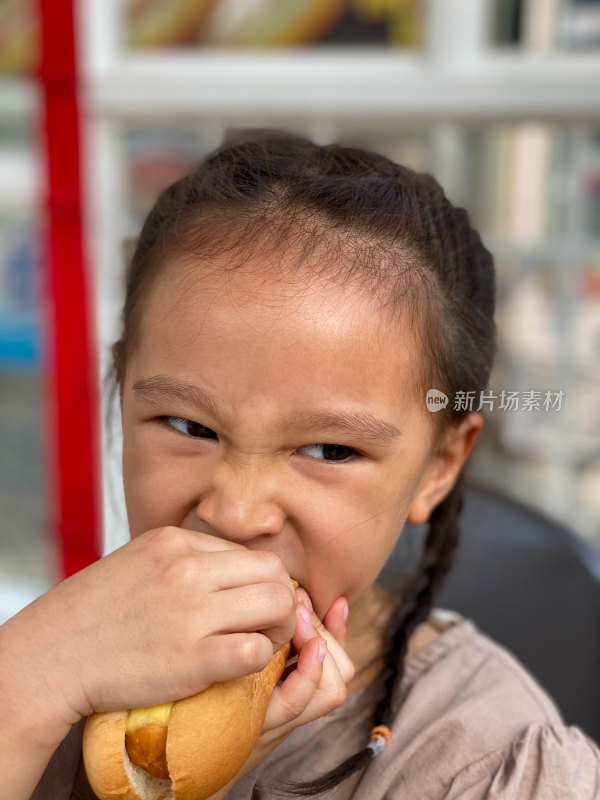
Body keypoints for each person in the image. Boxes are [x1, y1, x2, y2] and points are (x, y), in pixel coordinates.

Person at [1, 129, 598, 800]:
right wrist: (23, 686)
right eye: (188, 426)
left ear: (439, 465)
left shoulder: (489, 767)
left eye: (329, 450)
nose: (235, 511)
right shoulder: (48, 675)